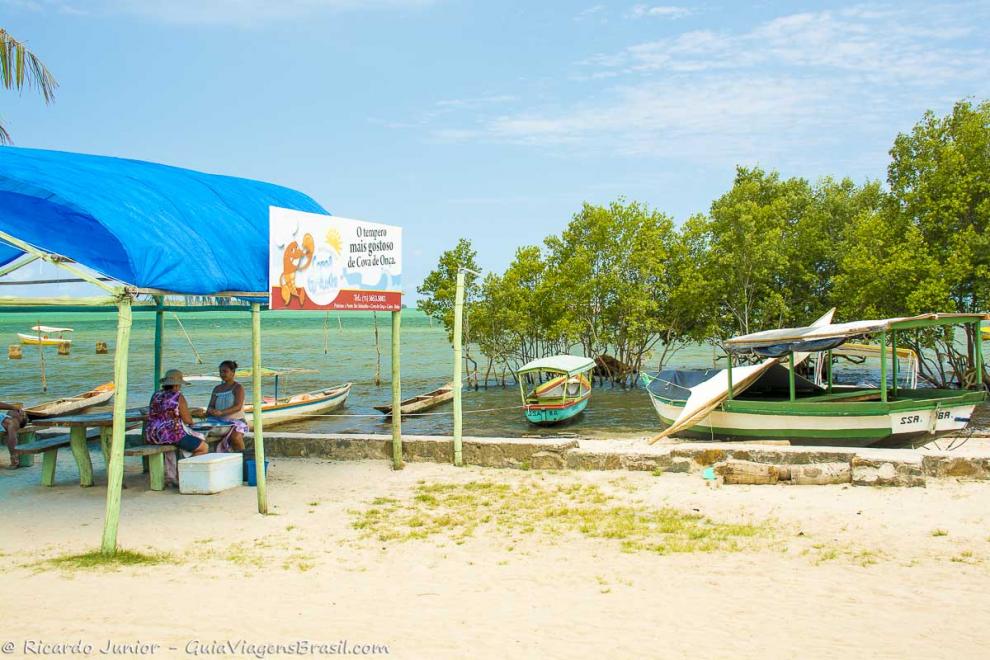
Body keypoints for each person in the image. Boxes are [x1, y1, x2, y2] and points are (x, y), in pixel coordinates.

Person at [146, 369, 207, 456]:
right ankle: (186, 468)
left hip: (152, 434)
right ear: (176, 385)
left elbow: (158, 412)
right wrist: (192, 417)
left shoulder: (156, 394)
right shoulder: (178, 396)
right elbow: (188, 420)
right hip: (171, 435)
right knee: (203, 447)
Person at [205, 360, 247, 452]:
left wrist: (221, 412)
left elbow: (238, 406)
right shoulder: (217, 388)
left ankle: (244, 457)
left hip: (236, 421)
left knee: (235, 437)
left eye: (225, 371)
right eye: (220, 372)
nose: (222, 374)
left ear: (233, 372)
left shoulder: (238, 387)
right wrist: (211, 411)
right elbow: (210, 406)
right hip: (218, 421)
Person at [0, 401, 28, 469]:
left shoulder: (11, 421)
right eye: (20, 411)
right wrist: (14, 407)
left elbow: (12, 436)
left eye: (20, 412)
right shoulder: (7, 420)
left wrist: (15, 407)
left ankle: (14, 458)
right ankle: (14, 458)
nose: (20, 411)